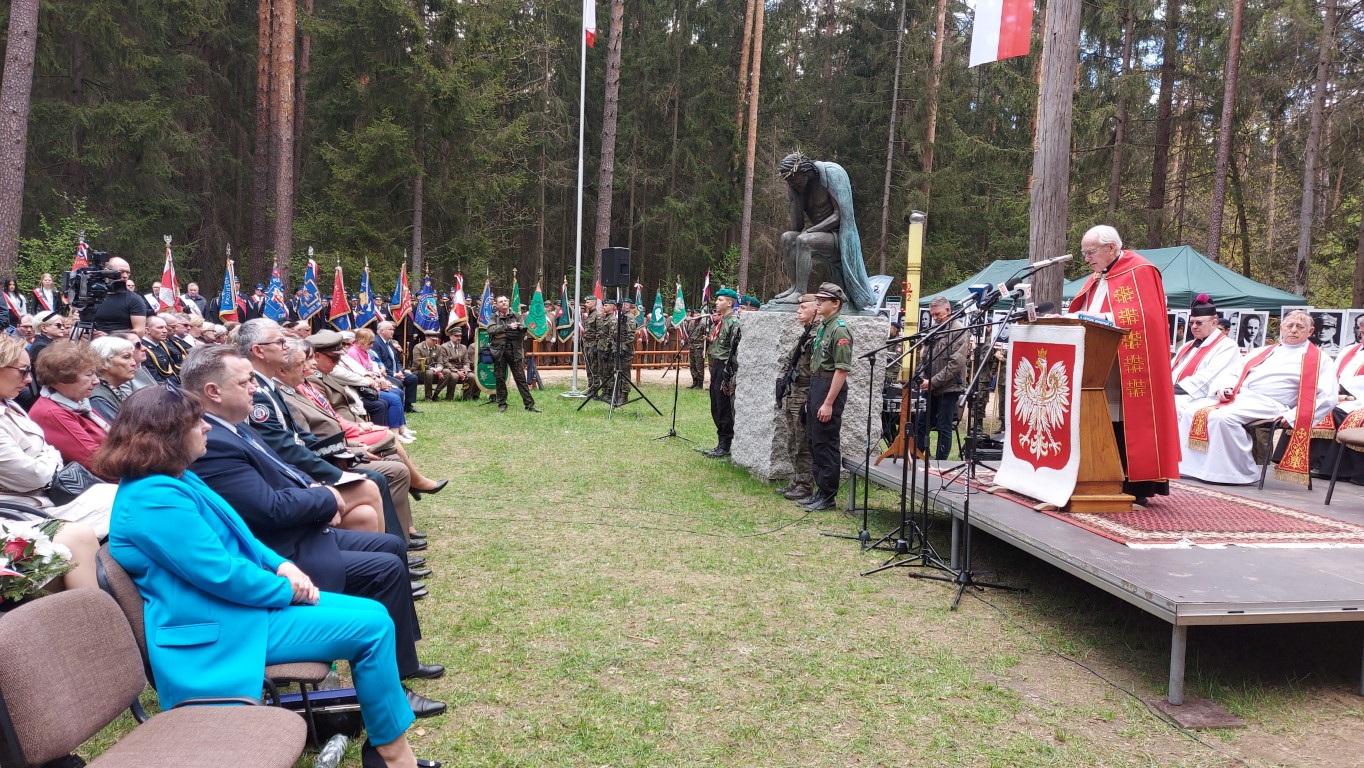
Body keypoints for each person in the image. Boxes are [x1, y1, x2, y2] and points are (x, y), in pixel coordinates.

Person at [95, 387, 432, 768]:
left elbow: (241, 538)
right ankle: (392, 755)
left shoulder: (173, 480)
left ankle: (387, 750)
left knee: (375, 615)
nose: (206, 427)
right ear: (167, 434)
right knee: (371, 628)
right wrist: (285, 589)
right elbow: (222, 574)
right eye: (196, 422)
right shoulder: (152, 499)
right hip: (218, 630)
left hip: (236, 612)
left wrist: (281, 565)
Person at [176, 346, 446, 716]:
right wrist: (324, 499)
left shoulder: (233, 428)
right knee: (384, 568)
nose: (254, 387)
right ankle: (392, 688)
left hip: (298, 534)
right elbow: (267, 510)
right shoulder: (215, 443)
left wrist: (317, 491)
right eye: (245, 381)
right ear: (213, 391)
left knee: (390, 547)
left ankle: (403, 662)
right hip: (283, 550)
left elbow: (285, 472)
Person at [234, 324, 401, 536]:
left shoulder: (267, 385)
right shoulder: (258, 391)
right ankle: (390, 547)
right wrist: (336, 474)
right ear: (259, 351)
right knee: (369, 486)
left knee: (365, 512)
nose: (286, 346)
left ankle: (387, 547)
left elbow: (300, 436)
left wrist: (342, 453)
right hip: (285, 480)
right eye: (280, 342)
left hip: (297, 469)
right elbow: (284, 448)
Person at [1069, 225, 1181, 504]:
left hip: (1126, 363)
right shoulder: (1097, 276)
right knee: (1102, 415)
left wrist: (1103, 319)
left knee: (1125, 418)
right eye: (1084, 253)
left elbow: (1146, 318)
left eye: (1090, 252)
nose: (1086, 259)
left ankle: (1135, 484)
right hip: (1097, 358)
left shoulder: (1141, 270)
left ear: (1111, 247)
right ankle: (1097, 476)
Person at [1178, 310, 1336, 485]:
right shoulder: (1262, 351)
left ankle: (1238, 472)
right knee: (1191, 410)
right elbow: (1232, 372)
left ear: (1310, 331)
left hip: (1273, 404)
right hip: (1241, 397)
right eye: (1289, 325)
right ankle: (1192, 467)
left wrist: (1294, 415)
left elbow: (1327, 396)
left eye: (1300, 327)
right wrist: (1224, 387)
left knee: (1222, 418)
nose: (1293, 330)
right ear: (1281, 327)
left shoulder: (1321, 360)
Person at [0, 335, 112, 548]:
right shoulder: (51, 412)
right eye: (23, 371)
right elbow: (33, 475)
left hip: (45, 497)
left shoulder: (11, 404)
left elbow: (49, 452)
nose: (28, 379)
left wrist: (46, 459)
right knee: (133, 501)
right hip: (30, 507)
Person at [770, 151, 874, 310]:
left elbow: (840, 216)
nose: (792, 184)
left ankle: (800, 292)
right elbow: (797, 226)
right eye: (789, 181)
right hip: (819, 235)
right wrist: (795, 197)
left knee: (804, 240)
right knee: (787, 238)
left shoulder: (832, 173)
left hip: (840, 237)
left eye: (794, 179)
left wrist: (810, 231)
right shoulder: (797, 187)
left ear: (805, 171)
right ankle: (793, 287)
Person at [802, 283, 854, 511]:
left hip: (829, 386)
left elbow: (841, 369)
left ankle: (828, 495)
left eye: (822, 300)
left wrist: (828, 403)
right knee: (814, 440)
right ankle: (820, 490)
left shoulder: (840, 329)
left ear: (836, 304)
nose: (818, 303)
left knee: (826, 441)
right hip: (817, 383)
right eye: (818, 299)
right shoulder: (824, 327)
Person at [29, 340, 110, 472]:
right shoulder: (52, 413)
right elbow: (95, 461)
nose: (96, 380)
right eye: (89, 374)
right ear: (63, 378)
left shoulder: (78, 403)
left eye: (95, 373)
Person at [913, 296, 969, 461]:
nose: (935, 318)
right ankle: (917, 458)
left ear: (948, 310)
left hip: (949, 388)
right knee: (921, 423)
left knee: (944, 426)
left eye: (937, 314)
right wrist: (921, 377)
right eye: (933, 315)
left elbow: (956, 363)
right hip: (929, 386)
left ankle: (941, 463)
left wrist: (933, 382)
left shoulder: (959, 330)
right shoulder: (934, 330)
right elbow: (925, 358)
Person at [777, 295, 817, 501]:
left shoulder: (817, 336)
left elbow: (817, 372)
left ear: (816, 309)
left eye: (803, 307)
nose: (798, 311)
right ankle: (797, 480)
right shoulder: (806, 333)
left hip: (805, 394)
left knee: (802, 442)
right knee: (793, 440)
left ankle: (805, 484)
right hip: (795, 392)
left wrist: (810, 399)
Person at [1171, 294, 1240, 408]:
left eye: (1199, 323)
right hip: (1174, 393)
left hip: (1198, 399)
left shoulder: (1227, 346)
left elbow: (1206, 379)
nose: (1194, 326)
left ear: (1213, 323)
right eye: (1191, 322)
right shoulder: (1187, 346)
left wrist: (1170, 389)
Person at [486, 295, 540, 413]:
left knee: (521, 379)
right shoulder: (494, 316)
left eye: (505, 301)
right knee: (500, 378)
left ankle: (530, 405)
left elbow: (522, 332)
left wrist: (502, 333)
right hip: (499, 352)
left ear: (508, 302)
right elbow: (490, 329)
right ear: (497, 305)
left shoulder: (517, 316)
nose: (504, 303)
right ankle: (502, 404)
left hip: (515, 351)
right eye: (501, 301)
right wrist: (508, 327)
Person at [703, 289, 740, 457]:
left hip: (725, 367)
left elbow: (735, 349)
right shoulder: (722, 321)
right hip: (715, 365)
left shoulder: (733, 322)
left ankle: (725, 443)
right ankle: (721, 441)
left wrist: (729, 371)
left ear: (729, 303)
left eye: (720, 300)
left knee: (723, 405)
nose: (716, 303)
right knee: (715, 404)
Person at [92, 257, 149, 337]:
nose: (125, 276)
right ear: (106, 271)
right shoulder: (94, 296)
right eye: (121, 272)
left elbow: (140, 331)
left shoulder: (134, 299)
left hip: (122, 344)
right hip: (94, 343)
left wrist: (109, 336)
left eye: (127, 273)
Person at [90, 335, 141, 421]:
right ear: (103, 362)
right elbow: (118, 428)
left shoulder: (112, 389)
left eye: (132, 357)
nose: (133, 363)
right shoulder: (98, 399)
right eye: (126, 357)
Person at [374, 321, 419, 412]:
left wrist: (400, 371)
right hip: (385, 374)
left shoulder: (389, 342)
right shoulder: (376, 343)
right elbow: (379, 364)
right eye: (390, 329)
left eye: (393, 329)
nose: (393, 331)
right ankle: (399, 407)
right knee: (398, 382)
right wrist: (394, 374)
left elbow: (396, 360)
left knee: (412, 378)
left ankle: (408, 406)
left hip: (396, 372)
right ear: (382, 331)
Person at [141, 315, 183, 383]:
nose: (165, 331)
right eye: (160, 328)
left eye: (165, 327)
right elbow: (154, 379)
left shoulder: (161, 345)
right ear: (148, 330)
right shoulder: (144, 349)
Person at [412, 331, 451, 402]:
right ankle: (428, 397)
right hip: (419, 371)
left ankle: (435, 394)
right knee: (429, 373)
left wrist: (439, 368)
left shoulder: (438, 348)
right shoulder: (418, 347)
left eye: (436, 340)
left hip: (434, 371)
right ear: (426, 338)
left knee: (447, 372)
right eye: (433, 340)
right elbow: (419, 363)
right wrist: (433, 369)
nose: (435, 342)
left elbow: (440, 362)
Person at [439, 332, 474, 401]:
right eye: (456, 336)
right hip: (450, 369)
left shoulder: (463, 347)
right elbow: (445, 362)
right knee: (454, 377)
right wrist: (457, 371)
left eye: (460, 336)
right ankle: (449, 397)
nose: (459, 338)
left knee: (471, 376)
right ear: (450, 337)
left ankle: (466, 397)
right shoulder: (444, 347)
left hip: (462, 369)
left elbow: (466, 361)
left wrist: (465, 370)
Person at [581, 296, 603, 394]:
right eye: (586, 302)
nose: (586, 304)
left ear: (594, 303)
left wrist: (596, 346)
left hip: (593, 344)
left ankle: (595, 390)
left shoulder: (597, 315)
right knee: (588, 368)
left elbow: (600, 332)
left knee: (594, 369)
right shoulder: (589, 315)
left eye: (588, 302)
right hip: (586, 345)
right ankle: (590, 387)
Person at [684, 308, 707, 389]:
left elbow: (706, 336)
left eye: (698, 314)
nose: (696, 315)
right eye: (695, 313)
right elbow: (688, 332)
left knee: (699, 365)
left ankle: (700, 383)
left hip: (699, 347)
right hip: (692, 346)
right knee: (692, 365)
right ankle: (694, 381)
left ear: (700, 314)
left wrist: (705, 349)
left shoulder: (703, 324)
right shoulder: (691, 323)